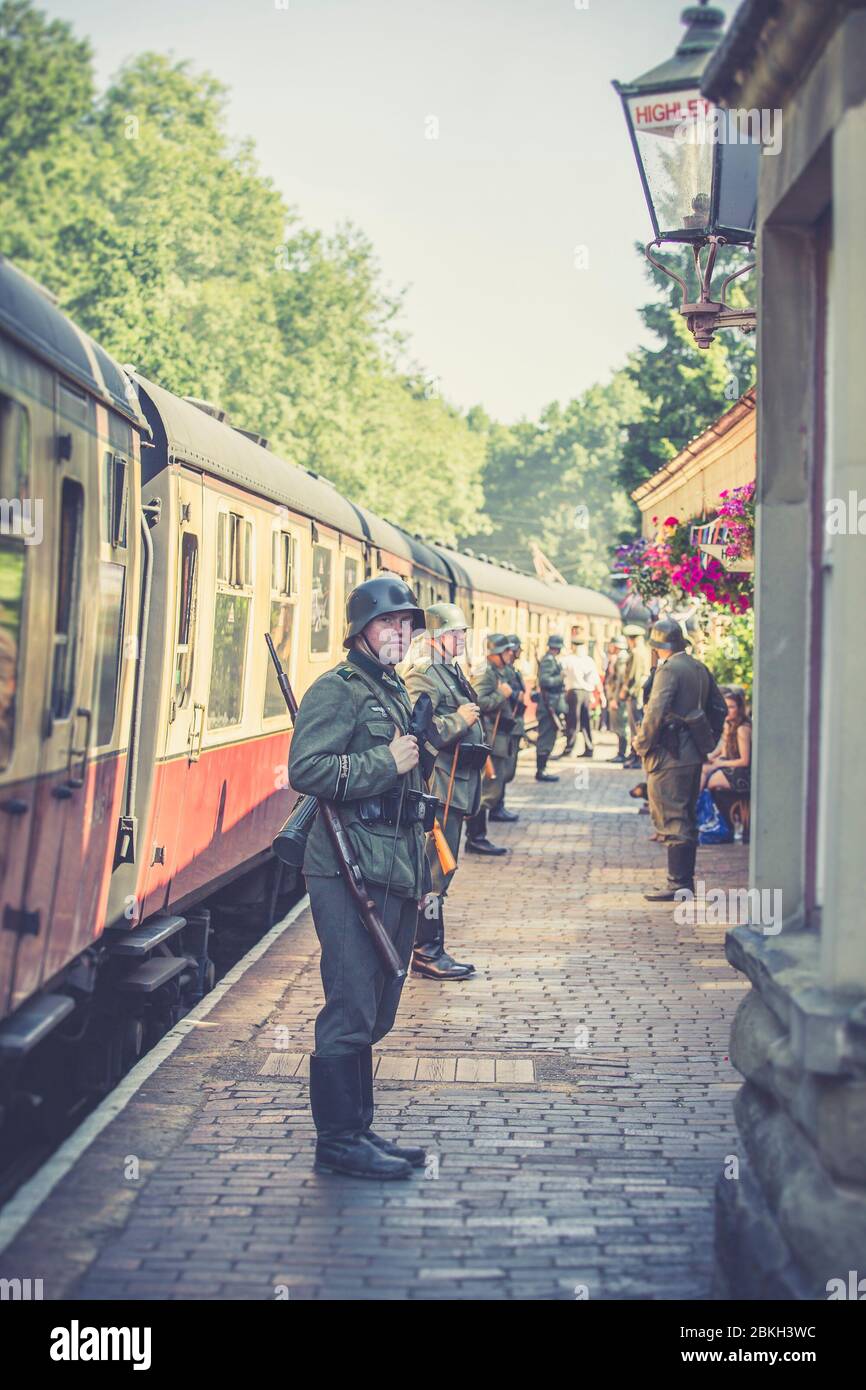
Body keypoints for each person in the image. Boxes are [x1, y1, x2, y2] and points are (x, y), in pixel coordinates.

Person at [288, 575, 429, 1179]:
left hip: (393, 860)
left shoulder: (391, 688)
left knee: (378, 1004)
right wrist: (384, 761)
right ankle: (339, 1142)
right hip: (347, 867)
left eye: (406, 624)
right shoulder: (338, 690)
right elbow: (307, 768)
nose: (400, 632)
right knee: (349, 1002)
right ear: (362, 631)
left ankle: (360, 1130)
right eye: (389, 623)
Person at [404, 602, 484, 979]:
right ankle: (426, 951)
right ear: (437, 638)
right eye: (457, 633)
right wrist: (460, 720)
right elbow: (418, 729)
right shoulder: (426, 675)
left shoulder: (450, 671)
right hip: (442, 786)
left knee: (443, 871)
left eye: (464, 632)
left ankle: (428, 948)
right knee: (436, 871)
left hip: (459, 784)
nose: (463, 639)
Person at [633, 616, 728, 902]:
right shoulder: (698, 667)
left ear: (658, 645)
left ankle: (679, 884)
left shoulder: (669, 670)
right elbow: (719, 708)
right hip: (691, 752)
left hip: (670, 753)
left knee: (673, 816)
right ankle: (682, 881)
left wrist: (642, 743)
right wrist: (705, 739)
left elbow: (655, 712)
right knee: (685, 814)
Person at [465, 633, 514, 853]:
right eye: (506, 651)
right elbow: (478, 702)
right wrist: (501, 695)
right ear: (497, 653)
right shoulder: (486, 673)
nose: (510, 654)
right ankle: (476, 838)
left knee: (492, 789)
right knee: (486, 791)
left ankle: (478, 836)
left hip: (499, 737)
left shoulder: (497, 671)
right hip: (490, 737)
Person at [491, 634, 526, 821]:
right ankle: (496, 807)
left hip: (512, 726)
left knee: (507, 771)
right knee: (501, 773)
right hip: (502, 730)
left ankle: (498, 805)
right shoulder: (496, 672)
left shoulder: (510, 670)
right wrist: (510, 695)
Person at [700, 686, 752, 796]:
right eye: (725, 707)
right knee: (702, 770)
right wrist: (710, 758)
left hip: (742, 772)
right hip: (728, 763)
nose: (727, 711)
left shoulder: (742, 729)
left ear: (739, 708)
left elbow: (744, 761)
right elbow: (723, 750)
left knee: (712, 781)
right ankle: (696, 806)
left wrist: (721, 763)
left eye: (731, 707)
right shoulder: (728, 724)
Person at [559, 637, 604, 758]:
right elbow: (594, 679)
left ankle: (569, 748)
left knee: (572, 721)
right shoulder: (588, 660)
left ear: (573, 646)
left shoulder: (567, 660)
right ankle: (589, 748)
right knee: (586, 721)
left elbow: (562, 676)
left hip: (573, 692)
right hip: (586, 693)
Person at [534, 633, 566, 780]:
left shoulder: (551, 659)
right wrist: (560, 678)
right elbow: (545, 680)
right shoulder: (548, 660)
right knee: (546, 738)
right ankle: (541, 770)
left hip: (551, 705)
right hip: (548, 706)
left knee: (549, 736)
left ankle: (543, 768)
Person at [622, 624, 652, 769]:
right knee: (639, 725)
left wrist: (625, 691)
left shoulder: (636, 653)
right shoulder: (646, 651)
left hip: (635, 694)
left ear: (632, 639)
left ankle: (636, 756)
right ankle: (636, 755)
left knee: (636, 727)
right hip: (642, 693)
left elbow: (632, 676)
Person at [604, 635, 631, 763]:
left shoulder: (621, 659)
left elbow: (619, 680)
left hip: (618, 699)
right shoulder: (621, 658)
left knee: (621, 726)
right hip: (618, 697)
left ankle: (621, 753)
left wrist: (614, 699)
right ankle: (621, 752)